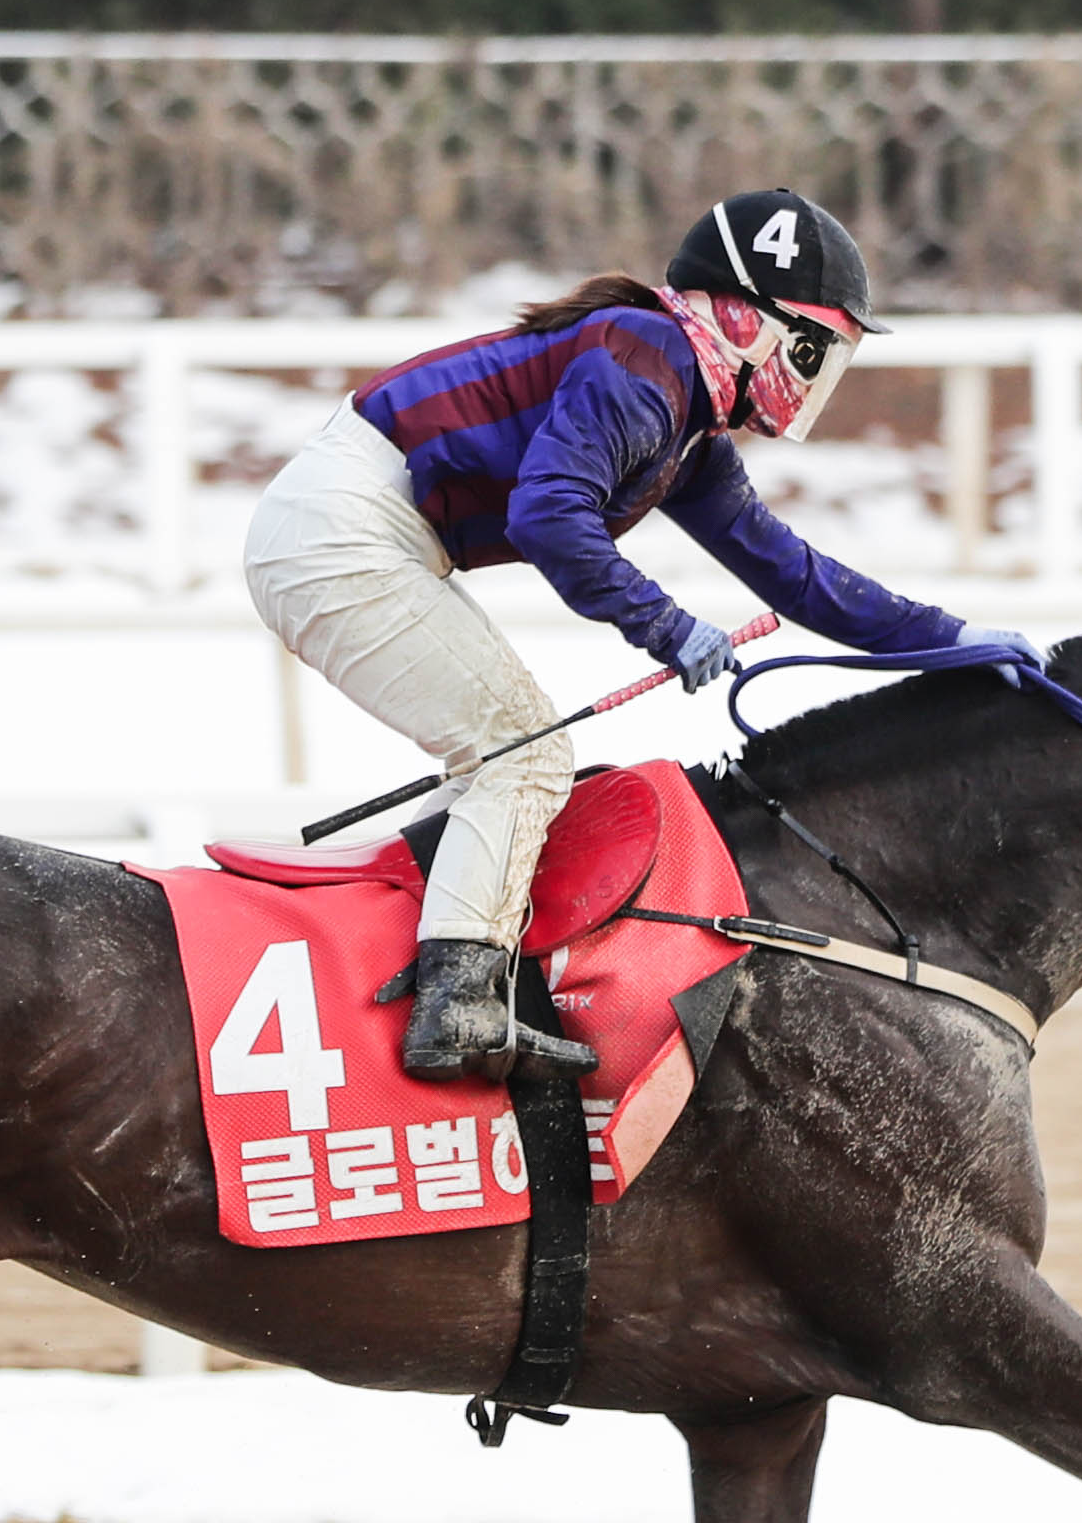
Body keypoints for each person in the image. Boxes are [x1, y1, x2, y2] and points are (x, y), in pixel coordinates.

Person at [243, 186, 1032, 1080]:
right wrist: (664, 624)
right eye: (812, 346)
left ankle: (420, 964)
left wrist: (954, 638)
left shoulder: (682, 412)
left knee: (503, 756)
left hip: (352, 530)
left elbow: (790, 570)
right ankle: (455, 1004)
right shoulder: (642, 361)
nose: (815, 376)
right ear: (741, 319)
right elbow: (550, 514)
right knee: (522, 756)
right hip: (339, 533)